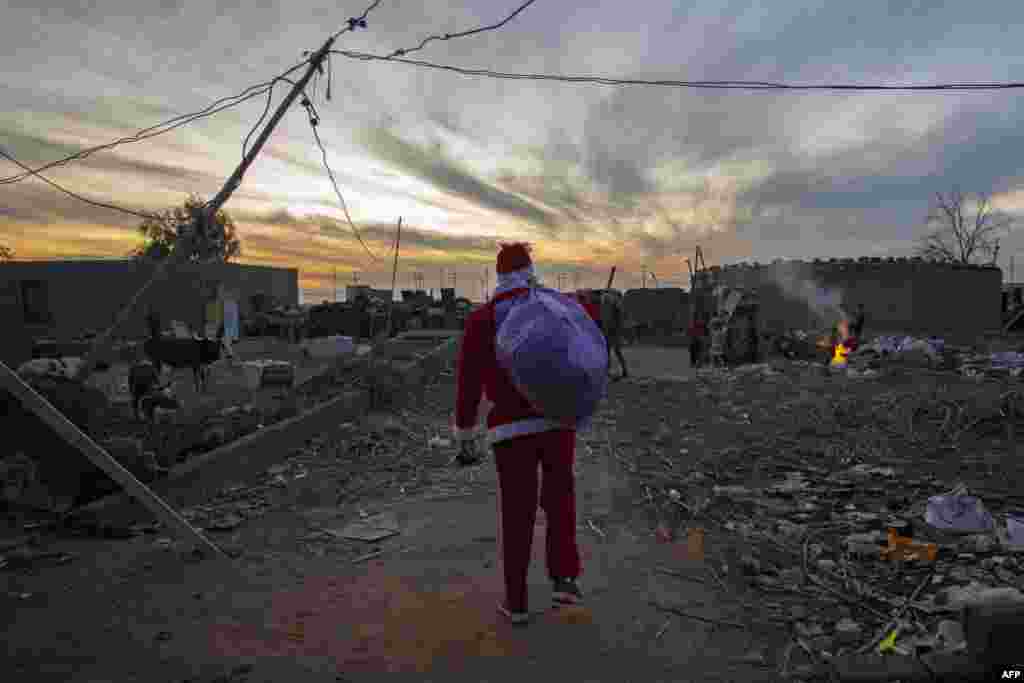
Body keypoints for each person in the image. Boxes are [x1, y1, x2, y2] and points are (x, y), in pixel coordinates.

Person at [453, 243, 597, 625]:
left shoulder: (483, 319)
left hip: (510, 431)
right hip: (557, 421)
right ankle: (564, 579)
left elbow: (467, 382)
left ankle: (516, 603)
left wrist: (465, 431)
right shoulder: (555, 308)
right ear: (531, 269)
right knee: (560, 500)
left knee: (518, 513)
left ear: (498, 274)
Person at [600, 290, 629, 381]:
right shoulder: (608, 301)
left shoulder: (613, 302)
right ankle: (609, 370)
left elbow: (618, 316)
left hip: (613, 330)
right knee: (609, 351)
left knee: (615, 350)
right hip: (609, 329)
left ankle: (624, 370)